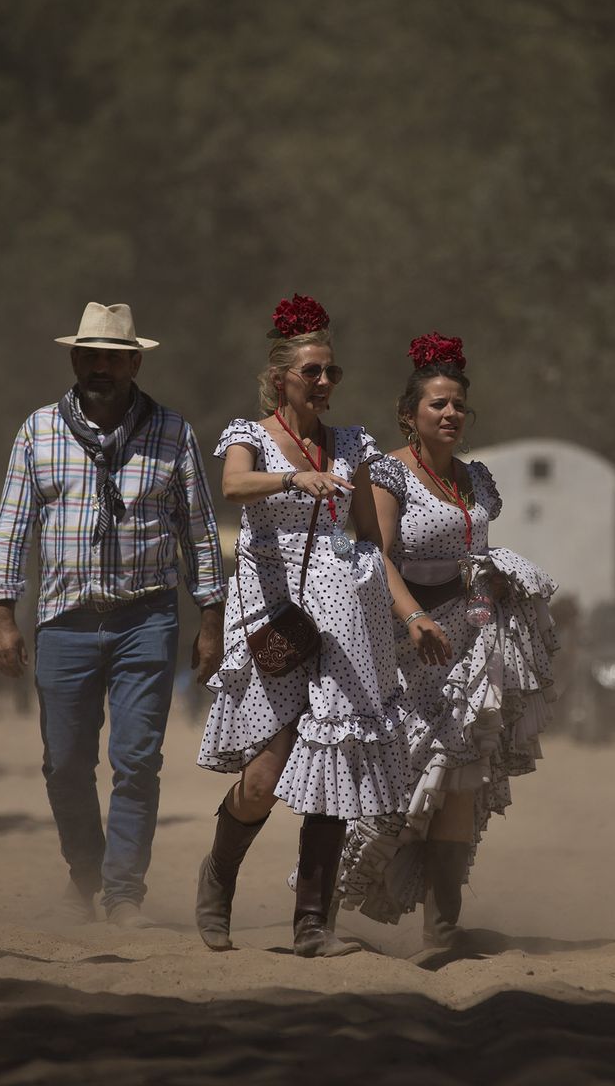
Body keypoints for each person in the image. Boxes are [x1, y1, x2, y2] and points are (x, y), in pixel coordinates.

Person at [0, 302, 224, 928]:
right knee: (65, 762)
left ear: (134, 364)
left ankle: (123, 894)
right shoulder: (38, 430)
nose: (101, 369)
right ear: (74, 359)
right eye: (90, 357)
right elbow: (11, 529)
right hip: (64, 619)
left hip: (146, 619)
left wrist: (211, 620)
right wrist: (2, 615)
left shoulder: (172, 431)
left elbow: (199, 533)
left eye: (113, 359)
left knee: (137, 760)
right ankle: (84, 872)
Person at [194, 294, 410, 958]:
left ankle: (313, 923)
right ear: (280, 376)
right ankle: (217, 876)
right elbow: (233, 487)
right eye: (311, 371)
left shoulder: (352, 445)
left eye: (331, 372)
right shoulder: (249, 435)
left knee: (334, 763)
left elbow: (370, 539)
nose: (323, 382)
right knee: (263, 779)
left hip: (341, 616)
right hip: (273, 609)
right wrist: (294, 479)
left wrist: (402, 611)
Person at [336, 331, 558, 954]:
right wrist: (412, 617)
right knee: (392, 782)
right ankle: (319, 913)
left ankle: (442, 931)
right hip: (401, 642)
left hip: (467, 644)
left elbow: (474, 551)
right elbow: (373, 557)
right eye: (438, 404)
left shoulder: (476, 478)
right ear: (409, 413)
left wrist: (495, 585)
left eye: (459, 404)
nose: (451, 413)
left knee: (460, 775)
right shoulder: (386, 473)